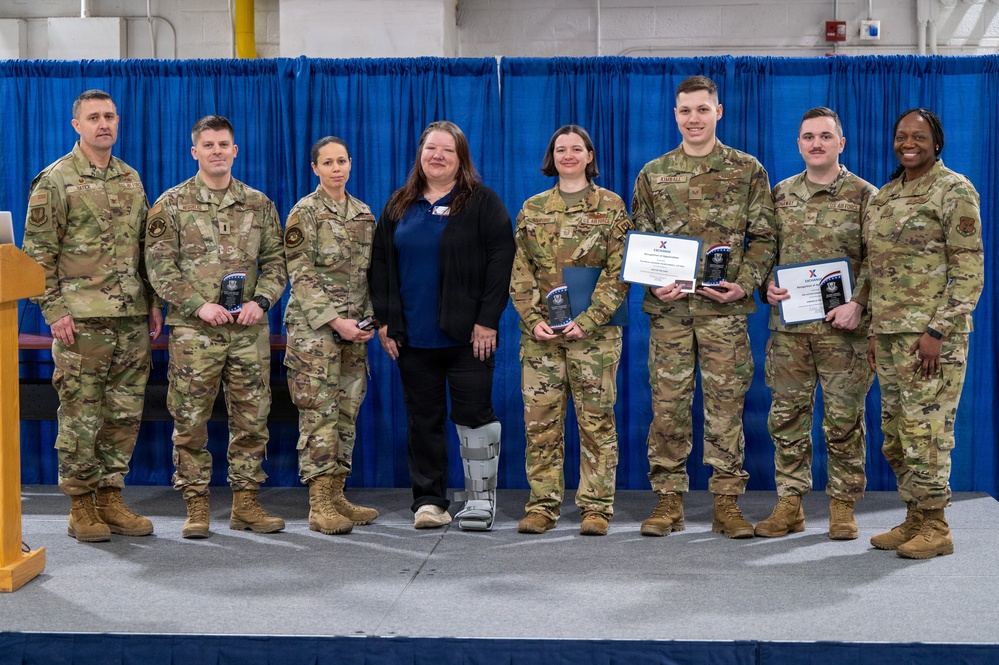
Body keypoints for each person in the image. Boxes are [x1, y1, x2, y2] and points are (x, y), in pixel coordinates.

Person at [631, 75, 777, 538]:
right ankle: (668, 501)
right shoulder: (653, 173)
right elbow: (640, 241)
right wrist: (653, 284)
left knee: (726, 408)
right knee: (667, 407)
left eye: (702, 109)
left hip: (724, 315)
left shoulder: (747, 170)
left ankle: (727, 505)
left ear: (718, 112)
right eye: (685, 110)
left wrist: (745, 285)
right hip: (670, 316)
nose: (693, 118)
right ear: (675, 115)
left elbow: (765, 238)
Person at [23, 89, 161, 543]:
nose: (104, 124)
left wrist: (153, 302)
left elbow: (145, 248)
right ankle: (80, 504)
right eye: (94, 117)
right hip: (81, 321)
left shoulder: (130, 178)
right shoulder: (56, 179)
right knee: (81, 414)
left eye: (110, 116)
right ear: (76, 125)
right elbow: (37, 254)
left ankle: (110, 498)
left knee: (124, 413)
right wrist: (54, 309)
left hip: (131, 317)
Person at [145, 115, 288, 539]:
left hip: (247, 331)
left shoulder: (258, 204)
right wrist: (198, 305)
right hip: (196, 332)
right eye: (208, 145)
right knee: (190, 420)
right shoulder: (172, 204)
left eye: (223, 144)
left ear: (235, 150)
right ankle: (196, 504)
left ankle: (246, 504)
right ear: (195, 152)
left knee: (252, 419)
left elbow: (277, 262)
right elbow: (159, 267)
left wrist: (261, 302)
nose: (217, 151)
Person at [369, 120, 515, 531]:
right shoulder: (400, 204)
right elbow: (380, 265)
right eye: (431, 149)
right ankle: (430, 502)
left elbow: (501, 262)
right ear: (420, 155)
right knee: (423, 421)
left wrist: (487, 321)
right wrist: (385, 321)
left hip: (469, 337)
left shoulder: (483, 202)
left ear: (460, 157)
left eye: (448, 150)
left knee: (474, 416)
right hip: (412, 338)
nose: (438, 156)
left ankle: (479, 499)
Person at [865, 108, 984, 559]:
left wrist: (939, 329)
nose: (908, 143)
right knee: (896, 433)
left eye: (918, 136)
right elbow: (874, 269)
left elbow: (968, 271)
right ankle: (915, 516)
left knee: (926, 432)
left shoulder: (953, 190)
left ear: (936, 142)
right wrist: (874, 330)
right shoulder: (886, 195)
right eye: (901, 136)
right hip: (890, 336)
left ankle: (937, 526)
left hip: (931, 339)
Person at [754, 107, 877, 540]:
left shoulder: (865, 195)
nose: (816, 144)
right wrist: (765, 285)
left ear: (840, 143)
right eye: (808, 137)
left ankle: (843, 506)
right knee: (787, 419)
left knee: (844, 421)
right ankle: (790, 504)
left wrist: (859, 302)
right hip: (789, 333)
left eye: (825, 136)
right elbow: (764, 252)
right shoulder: (780, 194)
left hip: (844, 333)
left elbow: (878, 259)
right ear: (799, 144)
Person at [510, 125, 631, 536]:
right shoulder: (532, 208)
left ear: (589, 156)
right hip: (542, 337)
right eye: (560, 149)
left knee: (596, 424)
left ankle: (596, 508)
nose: (568, 155)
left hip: (594, 338)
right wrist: (533, 319)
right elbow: (520, 270)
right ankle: (543, 506)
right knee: (540, 425)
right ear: (552, 156)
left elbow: (620, 270)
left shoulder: (611, 206)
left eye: (576, 149)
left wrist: (590, 319)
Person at [284, 136, 378, 536]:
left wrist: (369, 320)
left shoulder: (364, 214)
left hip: (355, 331)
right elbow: (300, 274)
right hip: (315, 331)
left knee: (346, 412)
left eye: (342, 161)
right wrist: (336, 321)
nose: (336, 168)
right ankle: (319, 503)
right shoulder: (304, 213)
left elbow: (371, 274)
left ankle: (337, 494)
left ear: (351, 164)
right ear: (315, 168)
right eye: (328, 162)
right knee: (318, 413)